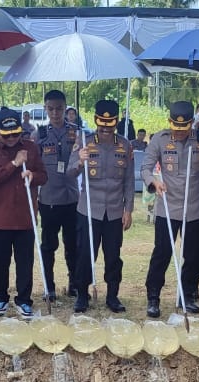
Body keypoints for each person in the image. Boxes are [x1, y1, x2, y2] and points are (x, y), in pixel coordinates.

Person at [142, 100, 199, 318]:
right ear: (169, 122)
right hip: (167, 205)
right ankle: (153, 297)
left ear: (192, 122)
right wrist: (154, 182)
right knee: (162, 253)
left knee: (192, 255)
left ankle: (187, 294)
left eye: (185, 128)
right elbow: (145, 168)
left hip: (194, 207)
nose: (179, 132)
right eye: (175, 127)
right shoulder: (159, 139)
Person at [68, 99, 135, 313]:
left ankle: (112, 296)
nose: (105, 127)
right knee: (86, 254)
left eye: (110, 123)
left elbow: (129, 181)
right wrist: (79, 160)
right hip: (89, 210)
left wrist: (129, 210)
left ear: (116, 122)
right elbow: (70, 172)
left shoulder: (125, 145)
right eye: (101, 123)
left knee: (113, 255)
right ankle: (81, 295)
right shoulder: (84, 142)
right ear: (96, 120)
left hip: (115, 211)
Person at [0, 108, 47, 319]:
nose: (11, 139)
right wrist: (14, 164)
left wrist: (31, 174)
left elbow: (44, 175)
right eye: (6, 135)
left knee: (25, 262)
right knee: (0, 262)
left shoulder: (30, 147)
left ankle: (24, 300)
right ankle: (1, 298)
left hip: (25, 217)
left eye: (15, 134)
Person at [34, 89, 81, 303]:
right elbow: (34, 165)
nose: (55, 113)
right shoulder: (40, 135)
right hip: (49, 198)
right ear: (46, 109)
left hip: (71, 198)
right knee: (48, 245)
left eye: (59, 108)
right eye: (51, 109)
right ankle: (49, 285)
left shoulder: (76, 132)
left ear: (66, 108)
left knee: (73, 244)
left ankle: (74, 284)